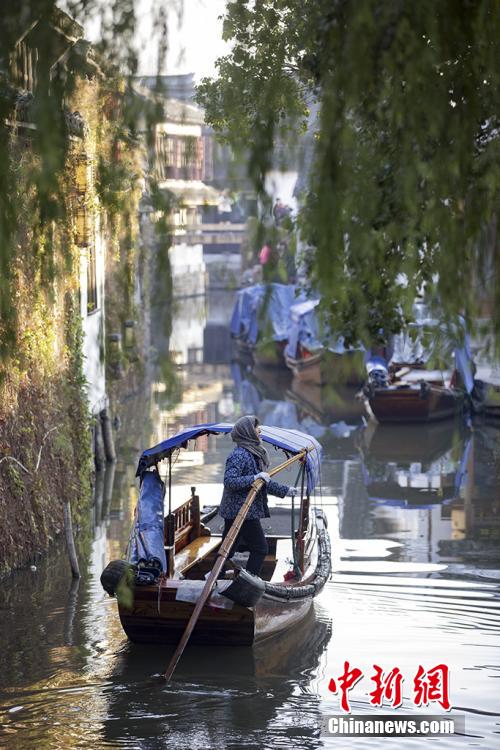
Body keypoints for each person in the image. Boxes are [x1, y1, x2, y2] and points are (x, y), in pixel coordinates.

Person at [219, 415, 298, 577]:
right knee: (260, 548)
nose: (259, 431)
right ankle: (247, 581)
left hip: (243, 511)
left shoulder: (253, 454)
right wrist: (254, 478)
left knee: (228, 549)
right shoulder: (239, 455)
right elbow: (229, 481)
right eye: (256, 428)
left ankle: (216, 576)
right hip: (241, 511)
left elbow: (263, 482)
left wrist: (285, 491)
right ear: (248, 432)